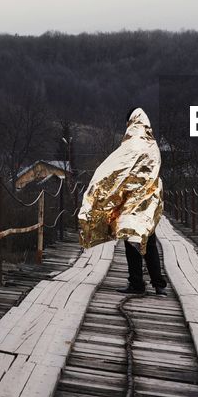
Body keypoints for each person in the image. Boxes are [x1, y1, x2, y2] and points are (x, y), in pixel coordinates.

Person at [77, 108, 168, 297]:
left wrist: (100, 192)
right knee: (149, 241)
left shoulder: (132, 145)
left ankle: (136, 283)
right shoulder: (153, 145)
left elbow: (115, 171)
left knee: (132, 241)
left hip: (133, 205)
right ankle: (159, 284)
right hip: (150, 204)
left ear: (131, 122)